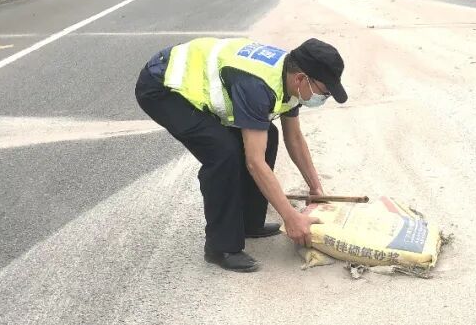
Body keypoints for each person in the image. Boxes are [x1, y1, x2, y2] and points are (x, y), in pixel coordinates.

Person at [135, 37, 347, 272]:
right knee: (223, 153)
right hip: (163, 87)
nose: (324, 97)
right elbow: (254, 162)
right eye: (324, 92)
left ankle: (249, 222)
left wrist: (316, 188)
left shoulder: (291, 80)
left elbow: (294, 138)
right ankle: (220, 247)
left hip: (200, 79)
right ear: (301, 79)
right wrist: (290, 217)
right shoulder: (258, 86)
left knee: (269, 135)